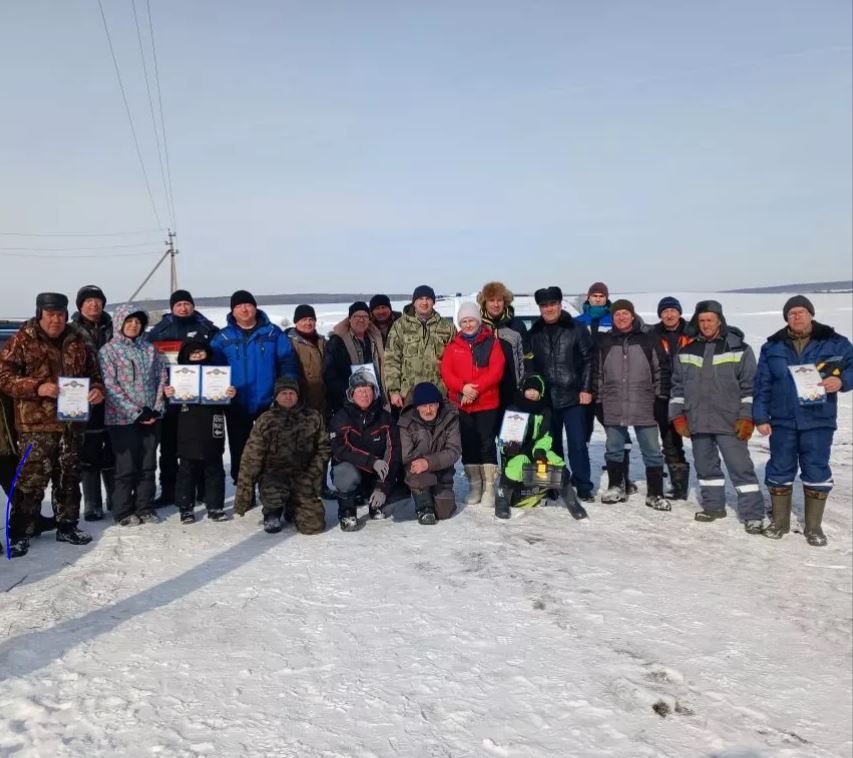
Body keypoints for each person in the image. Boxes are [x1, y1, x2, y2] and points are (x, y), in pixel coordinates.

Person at [0, 292, 105, 557]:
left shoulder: (78, 340)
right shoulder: (22, 340)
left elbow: (94, 374)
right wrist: (37, 387)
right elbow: (4, 377)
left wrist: (97, 390)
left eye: (60, 314)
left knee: (69, 476)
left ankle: (67, 525)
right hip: (36, 425)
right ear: (40, 314)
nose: (56, 320)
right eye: (50, 315)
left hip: (72, 422)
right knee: (30, 480)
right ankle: (21, 532)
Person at [754, 295, 853, 546]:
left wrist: (841, 381)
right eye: (791, 313)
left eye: (801, 312)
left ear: (811, 314)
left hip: (818, 419)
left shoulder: (835, 342)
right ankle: (779, 523)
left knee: (816, 469)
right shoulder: (772, 347)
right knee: (779, 468)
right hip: (783, 420)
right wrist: (760, 416)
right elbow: (762, 384)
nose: (796, 316)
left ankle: (814, 527)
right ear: (786, 318)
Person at [668, 300, 764, 533]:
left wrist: (747, 417)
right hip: (698, 421)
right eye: (701, 320)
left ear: (719, 321)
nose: (706, 324)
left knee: (740, 468)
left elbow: (750, 388)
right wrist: (677, 416)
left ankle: (753, 514)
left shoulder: (739, 349)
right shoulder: (687, 351)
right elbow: (677, 388)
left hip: (730, 422)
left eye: (710, 320)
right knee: (705, 467)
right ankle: (713, 507)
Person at [210, 290, 298, 488]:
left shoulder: (272, 333)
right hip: (237, 403)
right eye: (239, 306)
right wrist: (219, 390)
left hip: (268, 401)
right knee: (240, 448)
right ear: (233, 311)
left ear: (255, 307)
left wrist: (286, 389)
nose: (244, 309)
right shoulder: (222, 337)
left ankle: (270, 488)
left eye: (248, 305)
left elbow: (287, 362)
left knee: (271, 447)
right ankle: (244, 488)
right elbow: (213, 369)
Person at [593, 300, 671, 510]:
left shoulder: (648, 338)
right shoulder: (605, 341)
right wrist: (598, 400)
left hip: (644, 402)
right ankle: (616, 487)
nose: (621, 317)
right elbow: (597, 373)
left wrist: (661, 398)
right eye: (617, 314)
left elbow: (661, 369)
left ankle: (655, 493)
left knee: (652, 450)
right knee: (614, 448)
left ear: (633, 315)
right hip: (613, 401)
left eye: (625, 313)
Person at [147, 289, 218, 507]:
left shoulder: (207, 328)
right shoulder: (160, 331)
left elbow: (216, 360)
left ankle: (202, 489)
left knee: (200, 443)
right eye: (178, 305)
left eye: (187, 304)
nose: (183, 308)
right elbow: (150, 362)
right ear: (172, 308)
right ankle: (169, 490)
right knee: (169, 446)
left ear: (193, 306)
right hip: (171, 397)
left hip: (200, 400)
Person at [99, 305, 168, 526]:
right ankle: (123, 510)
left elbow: (161, 378)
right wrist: (136, 412)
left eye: (138, 322)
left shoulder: (149, 349)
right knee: (126, 466)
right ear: (120, 323)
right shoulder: (108, 351)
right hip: (122, 419)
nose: (133, 325)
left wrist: (156, 408)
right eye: (129, 321)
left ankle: (144, 506)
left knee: (148, 465)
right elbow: (110, 386)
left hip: (151, 417)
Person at [525, 286, 595, 502]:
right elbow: (530, 366)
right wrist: (533, 388)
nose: (549, 309)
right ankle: (553, 484)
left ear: (560, 304)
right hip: (546, 399)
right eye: (544, 305)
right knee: (549, 445)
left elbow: (588, 360)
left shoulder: (577, 328)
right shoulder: (534, 333)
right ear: (540, 308)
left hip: (572, 397)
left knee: (577, 444)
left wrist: (586, 389)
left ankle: (583, 484)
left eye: (553, 304)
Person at [235, 377, 330, 535]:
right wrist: (243, 497)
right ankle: (272, 511)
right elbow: (250, 459)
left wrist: (314, 473)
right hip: (274, 477)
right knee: (274, 493)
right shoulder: (266, 420)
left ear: (298, 395)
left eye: (291, 393)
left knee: (314, 526)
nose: (288, 397)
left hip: (304, 476)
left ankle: (294, 507)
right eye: (283, 393)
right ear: (276, 396)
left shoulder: (313, 417)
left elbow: (324, 449)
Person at [494, 374, 587, 520]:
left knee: (558, 464)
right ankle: (502, 498)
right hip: (518, 452)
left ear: (541, 392)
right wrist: (507, 447)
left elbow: (547, 435)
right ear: (523, 391)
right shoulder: (514, 409)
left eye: (535, 390)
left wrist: (540, 450)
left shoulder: (545, 411)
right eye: (529, 389)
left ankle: (571, 501)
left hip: (538, 450)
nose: (532, 393)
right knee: (514, 468)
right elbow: (505, 436)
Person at [440, 302, 505, 507]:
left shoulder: (491, 342)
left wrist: (474, 390)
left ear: (478, 321)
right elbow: (446, 372)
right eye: (464, 321)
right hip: (462, 404)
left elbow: (496, 371)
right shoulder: (454, 345)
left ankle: (489, 487)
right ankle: (475, 485)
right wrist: (462, 388)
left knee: (486, 443)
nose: (468, 325)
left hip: (486, 402)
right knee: (468, 444)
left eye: (471, 320)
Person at [164, 340, 235, 523]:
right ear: (186, 356)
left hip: (213, 421)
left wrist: (231, 394)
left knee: (214, 466)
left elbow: (229, 405)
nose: (197, 356)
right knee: (187, 468)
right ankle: (186, 508)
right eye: (193, 353)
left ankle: (215, 506)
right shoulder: (177, 376)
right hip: (187, 424)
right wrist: (169, 395)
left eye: (201, 352)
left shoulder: (218, 373)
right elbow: (170, 410)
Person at [329, 371, 400, 531]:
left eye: (368, 390)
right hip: (352, 470)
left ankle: (376, 502)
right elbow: (340, 449)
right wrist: (371, 461)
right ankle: (347, 510)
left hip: (376, 473)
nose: (364, 394)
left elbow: (393, 450)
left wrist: (383, 486)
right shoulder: (341, 417)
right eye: (360, 390)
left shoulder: (385, 417)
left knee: (392, 467)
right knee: (345, 473)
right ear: (351, 394)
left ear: (374, 392)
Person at [71, 284, 115, 520]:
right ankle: (92, 502)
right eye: (88, 300)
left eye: (97, 300)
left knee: (113, 447)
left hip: (115, 397)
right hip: (82, 397)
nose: (93, 304)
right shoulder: (70, 331)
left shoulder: (114, 328)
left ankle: (115, 497)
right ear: (80, 305)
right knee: (88, 450)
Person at [397, 382, 461, 525]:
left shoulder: (450, 418)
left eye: (432, 405)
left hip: (442, 471)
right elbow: (406, 455)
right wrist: (423, 464)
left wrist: (429, 463)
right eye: (424, 406)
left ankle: (436, 494)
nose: (428, 410)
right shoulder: (406, 422)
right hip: (418, 471)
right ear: (417, 407)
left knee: (445, 513)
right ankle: (424, 506)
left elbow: (454, 450)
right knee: (417, 475)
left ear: (438, 404)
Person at [384, 285, 456, 408]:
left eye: (428, 299)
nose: (424, 302)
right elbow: (391, 360)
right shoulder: (400, 326)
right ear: (414, 302)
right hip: (409, 394)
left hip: (439, 393)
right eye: (420, 299)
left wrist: (453, 390)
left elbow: (456, 361)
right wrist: (394, 390)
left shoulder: (447, 327)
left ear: (434, 302)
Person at [650, 296, 692, 500]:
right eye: (665, 311)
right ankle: (679, 486)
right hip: (664, 393)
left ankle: (711, 484)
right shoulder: (653, 335)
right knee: (670, 441)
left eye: (673, 311)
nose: (669, 315)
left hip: (692, 393)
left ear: (679, 313)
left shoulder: (692, 332)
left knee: (702, 441)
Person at [324, 301, 387, 415]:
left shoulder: (374, 339)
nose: (361, 320)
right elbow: (330, 375)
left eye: (365, 316)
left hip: (374, 401)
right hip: (347, 403)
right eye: (357, 316)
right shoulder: (336, 342)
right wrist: (349, 396)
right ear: (349, 319)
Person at [477, 281, 528, 414]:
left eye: (499, 300)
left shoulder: (517, 325)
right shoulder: (476, 326)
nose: (496, 304)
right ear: (484, 302)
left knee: (511, 427)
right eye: (491, 300)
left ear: (505, 302)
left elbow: (527, 357)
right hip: (485, 393)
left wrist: (527, 384)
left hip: (513, 392)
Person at [286, 304, 327, 416]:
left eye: (311, 319)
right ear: (296, 322)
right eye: (304, 320)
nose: (308, 323)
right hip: (302, 401)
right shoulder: (289, 343)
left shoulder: (322, 341)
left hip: (323, 400)